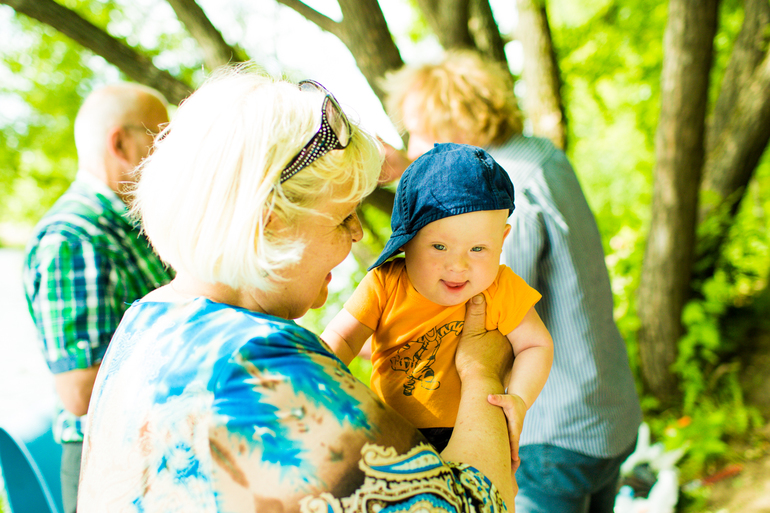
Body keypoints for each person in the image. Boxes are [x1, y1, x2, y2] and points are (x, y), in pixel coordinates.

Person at [77, 65, 522, 512]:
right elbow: (471, 505)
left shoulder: (147, 318)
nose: (357, 233)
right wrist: (480, 370)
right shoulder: (261, 367)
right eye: (342, 217)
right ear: (270, 224)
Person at [380, 50, 643, 513]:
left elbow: (481, 311)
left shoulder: (495, 199)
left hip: (554, 433)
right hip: (608, 410)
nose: (416, 147)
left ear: (453, 123)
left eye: (420, 132)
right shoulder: (540, 157)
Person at [322, 143, 553, 467]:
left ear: (502, 240)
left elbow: (536, 345)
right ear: (407, 241)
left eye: (478, 249)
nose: (458, 265)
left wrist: (519, 397)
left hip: (471, 430)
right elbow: (341, 339)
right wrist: (319, 385)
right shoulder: (386, 283)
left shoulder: (501, 287)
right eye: (439, 247)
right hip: (392, 429)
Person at [22, 82, 174, 513]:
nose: (172, 154)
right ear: (120, 143)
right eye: (162, 138)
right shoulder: (75, 237)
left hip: (154, 454)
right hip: (113, 466)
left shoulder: (130, 223)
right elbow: (80, 391)